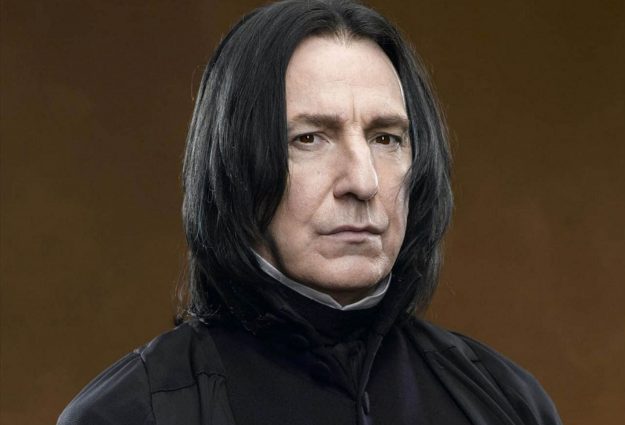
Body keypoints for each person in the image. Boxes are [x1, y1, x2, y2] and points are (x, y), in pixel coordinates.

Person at [58, 1, 562, 424]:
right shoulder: (129, 414)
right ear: (234, 165)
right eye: (310, 138)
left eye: (386, 138)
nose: (363, 181)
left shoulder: (508, 402)